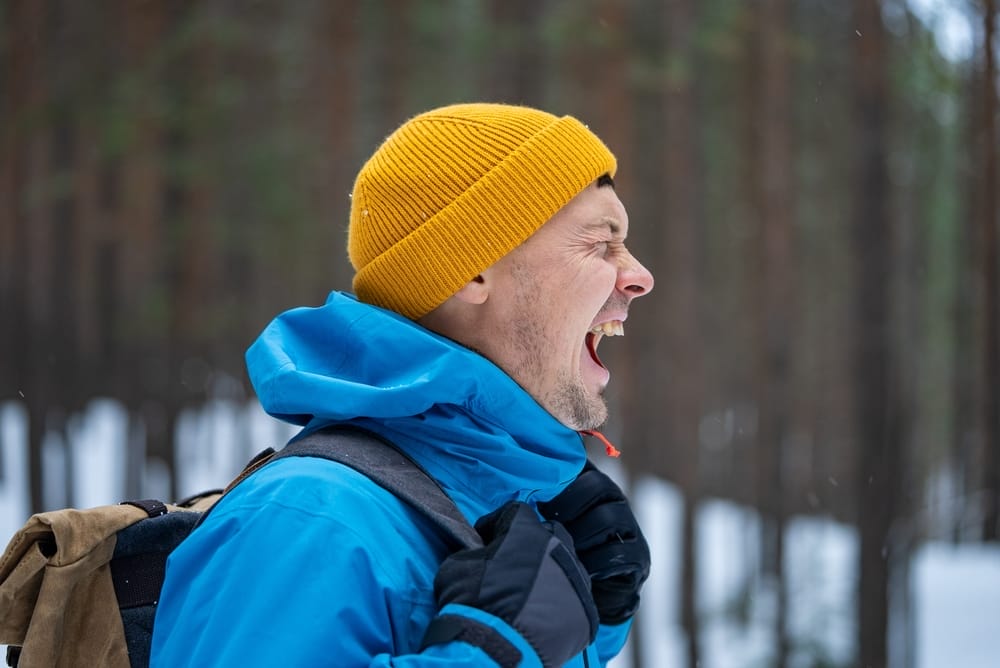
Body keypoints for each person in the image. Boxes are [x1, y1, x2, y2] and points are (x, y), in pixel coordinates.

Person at [151, 102, 654, 667]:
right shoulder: (308, 519)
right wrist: (490, 657)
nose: (639, 276)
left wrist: (592, 627)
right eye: (599, 242)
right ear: (473, 269)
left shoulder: (511, 503)